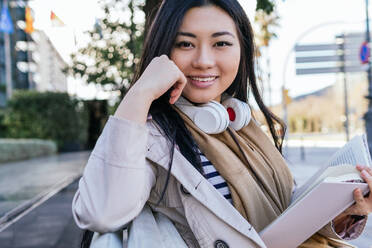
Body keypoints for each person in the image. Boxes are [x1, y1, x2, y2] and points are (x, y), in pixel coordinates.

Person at [72, 0, 372, 247]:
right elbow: (101, 213)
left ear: (241, 51)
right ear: (164, 51)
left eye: (221, 43)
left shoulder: (243, 125)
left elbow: (282, 217)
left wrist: (341, 214)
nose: (203, 60)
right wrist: (140, 94)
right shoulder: (150, 137)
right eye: (185, 44)